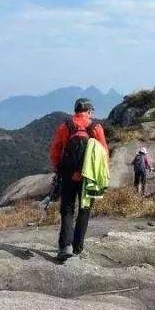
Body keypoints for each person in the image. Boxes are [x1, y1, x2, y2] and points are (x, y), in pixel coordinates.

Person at [50, 98, 108, 261]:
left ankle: (65, 246)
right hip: (88, 176)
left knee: (67, 209)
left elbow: (55, 150)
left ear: (76, 111)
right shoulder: (96, 128)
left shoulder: (65, 126)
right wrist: (102, 176)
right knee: (85, 210)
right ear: (89, 111)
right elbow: (103, 154)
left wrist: (58, 168)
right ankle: (78, 247)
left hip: (68, 174)